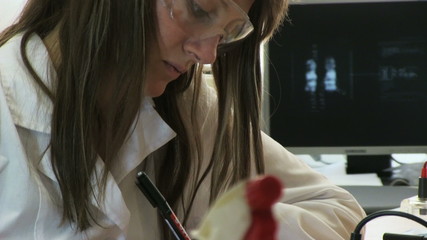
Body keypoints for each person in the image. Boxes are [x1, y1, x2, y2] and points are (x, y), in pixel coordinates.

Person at [0, 0, 366, 239]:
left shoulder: (188, 110)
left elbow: (338, 209)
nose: (207, 55)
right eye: (200, 9)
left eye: (228, 32)